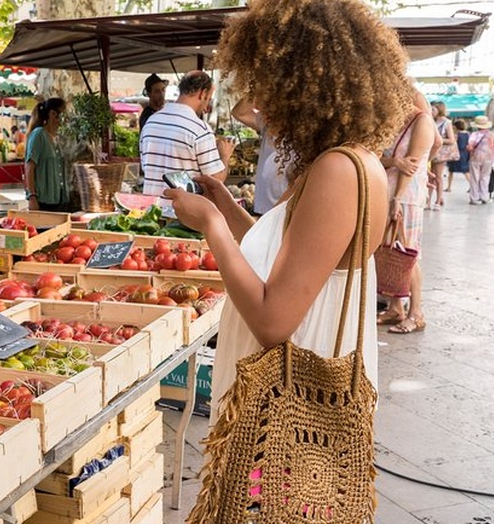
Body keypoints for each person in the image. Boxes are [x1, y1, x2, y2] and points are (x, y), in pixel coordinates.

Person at [166, 0, 413, 457]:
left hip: (293, 409)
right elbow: (281, 254)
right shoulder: (345, 161)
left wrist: (212, 224)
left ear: (305, 84)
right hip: (292, 397)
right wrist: (224, 207)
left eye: (269, 83)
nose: (259, 101)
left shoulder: (338, 172)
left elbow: (273, 321)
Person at [377, 99, 435, 334]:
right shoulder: (393, 123)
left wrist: (397, 199)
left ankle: (416, 313)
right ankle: (396, 306)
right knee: (391, 250)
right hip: (389, 193)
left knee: (407, 254)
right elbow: (378, 156)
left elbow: (411, 165)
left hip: (406, 197)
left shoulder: (422, 121)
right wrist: (394, 162)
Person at [139, 71, 234, 196]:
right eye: (208, 99)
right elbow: (215, 181)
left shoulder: (151, 123)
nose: (206, 107)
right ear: (202, 93)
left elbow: (146, 167)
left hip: (152, 210)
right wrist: (225, 157)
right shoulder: (200, 129)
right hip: (184, 212)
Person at [231, 99, 289, 214]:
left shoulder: (304, 136)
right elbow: (239, 113)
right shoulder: (268, 124)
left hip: (283, 212)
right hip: (263, 210)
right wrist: (257, 90)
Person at [24, 98, 69, 212]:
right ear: (53, 114)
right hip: (43, 202)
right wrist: (32, 197)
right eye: (63, 114)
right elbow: (29, 167)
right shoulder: (38, 135)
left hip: (58, 202)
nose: (65, 119)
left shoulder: (56, 138)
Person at [428, 101, 454, 210]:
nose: (431, 111)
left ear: (439, 110)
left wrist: (438, 140)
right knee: (429, 177)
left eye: (433, 109)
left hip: (439, 154)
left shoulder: (446, 123)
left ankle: (438, 201)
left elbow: (451, 140)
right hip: (429, 152)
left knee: (438, 177)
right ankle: (428, 200)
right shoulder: (429, 120)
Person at [467, 115, 494, 204]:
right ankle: (484, 197)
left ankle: (474, 198)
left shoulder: (474, 134)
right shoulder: (492, 135)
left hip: (475, 158)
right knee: (485, 177)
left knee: (475, 178)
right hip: (489, 158)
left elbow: (470, 147)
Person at [447, 119, 470, 192]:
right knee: (465, 171)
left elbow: (453, 143)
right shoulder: (468, 134)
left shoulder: (456, 135)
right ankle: (472, 186)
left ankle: (449, 187)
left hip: (456, 153)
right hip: (464, 154)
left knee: (451, 171)